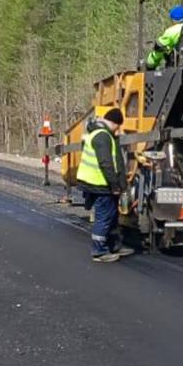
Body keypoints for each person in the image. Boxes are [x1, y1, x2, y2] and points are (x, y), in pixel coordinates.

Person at [76, 107, 133, 263]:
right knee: (104, 217)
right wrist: (114, 185)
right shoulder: (102, 137)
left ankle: (113, 245)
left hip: (99, 183)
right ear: (114, 123)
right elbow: (106, 164)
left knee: (112, 215)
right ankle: (99, 251)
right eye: (118, 126)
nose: (118, 130)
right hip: (100, 184)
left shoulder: (102, 134)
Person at [146, 5, 183, 70]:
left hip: (178, 66)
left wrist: (150, 64)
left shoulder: (171, 31)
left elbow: (159, 48)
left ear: (174, 20)